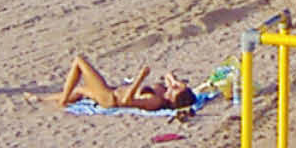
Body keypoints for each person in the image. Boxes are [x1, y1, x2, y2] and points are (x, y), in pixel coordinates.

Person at [51, 54, 197, 112]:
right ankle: (41, 99)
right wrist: (175, 84)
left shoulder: (155, 101)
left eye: (175, 90)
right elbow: (168, 75)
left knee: (79, 62)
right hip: (111, 92)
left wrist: (140, 78)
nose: (172, 87)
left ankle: (62, 102)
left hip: (110, 98)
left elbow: (127, 101)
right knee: (79, 90)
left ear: (172, 100)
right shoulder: (163, 91)